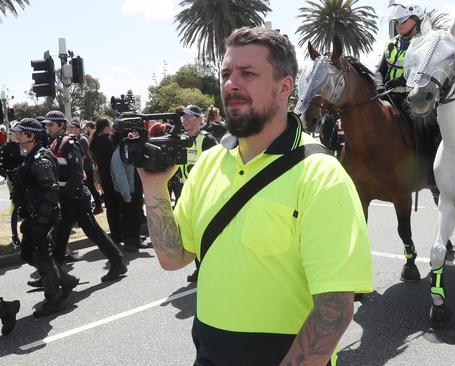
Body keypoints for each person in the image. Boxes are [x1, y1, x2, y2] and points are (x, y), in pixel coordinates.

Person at [137, 27, 373, 365]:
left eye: (248, 74)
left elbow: (334, 308)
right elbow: (174, 258)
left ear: (285, 86)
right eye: (226, 73)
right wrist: (154, 186)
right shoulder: (209, 163)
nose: (232, 83)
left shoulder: (321, 174)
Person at [43, 111, 127, 282]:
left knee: (93, 232)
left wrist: (64, 195)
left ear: (61, 125)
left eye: (51, 124)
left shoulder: (69, 143)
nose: (48, 128)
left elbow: (76, 175)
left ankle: (117, 262)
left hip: (75, 198)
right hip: (67, 198)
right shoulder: (55, 143)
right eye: (47, 125)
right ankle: (53, 271)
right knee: (60, 235)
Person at [10, 118, 79, 317]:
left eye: (21, 133)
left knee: (41, 257)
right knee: (30, 255)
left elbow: (50, 192)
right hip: (35, 215)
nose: (17, 136)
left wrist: (41, 221)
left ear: (31, 136)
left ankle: (53, 300)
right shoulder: (31, 154)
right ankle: (65, 281)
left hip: (43, 216)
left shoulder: (39, 159)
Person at [177, 105, 218, 282]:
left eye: (188, 117)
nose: (184, 120)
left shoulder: (207, 139)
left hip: (204, 194)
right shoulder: (180, 138)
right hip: (186, 193)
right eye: (183, 117)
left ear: (197, 119)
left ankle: (207, 267)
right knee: (191, 234)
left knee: (204, 233)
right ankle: (200, 267)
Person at [376, 1, 425, 110]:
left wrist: (398, 81)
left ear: (416, 20)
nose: (398, 24)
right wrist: (379, 85)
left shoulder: (424, 43)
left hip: (414, 99)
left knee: (427, 126)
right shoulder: (390, 43)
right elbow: (380, 70)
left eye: (402, 20)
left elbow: (421, 72)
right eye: (396, 21)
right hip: (390, 97)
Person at [110, 128, 146, 252]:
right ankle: (128, 242)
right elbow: (120, 175)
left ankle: (136, 240)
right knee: (127, 217)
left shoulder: (129, 148)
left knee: (136, 215)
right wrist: (126, 194)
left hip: (135, 188)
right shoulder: (119, 151)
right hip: (127, 191)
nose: (134, 135)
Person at [89, 118, 123, 244]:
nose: (112, 128)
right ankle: (121, 234)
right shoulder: (108, 141)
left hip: (104, 176)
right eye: (110, 125)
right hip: (113, 176)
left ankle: (115, 236)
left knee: (110, 207)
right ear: (105, 128)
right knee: (118, 206)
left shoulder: (94, 140)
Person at [69, 120, 103, 214]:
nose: (70, 130)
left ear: (78, 129)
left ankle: (98, 205)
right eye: (70, 128)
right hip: (80, 168)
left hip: (87, 168)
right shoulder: (73, 139)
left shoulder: (82, 139)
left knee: (91, 187)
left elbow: (86, 155)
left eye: (73, 128)